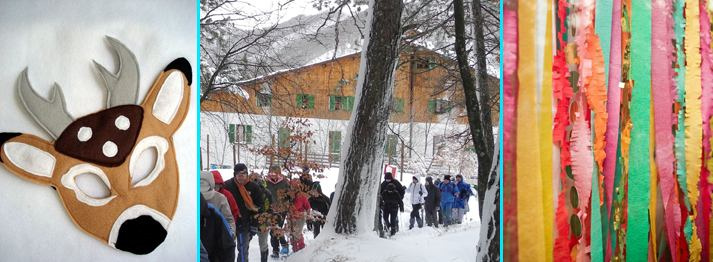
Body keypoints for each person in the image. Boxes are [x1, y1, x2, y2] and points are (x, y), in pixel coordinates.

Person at [223, 164, 265, 262]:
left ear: (247, 174)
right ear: (234, 175)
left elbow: (260, 205)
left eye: (244, 174)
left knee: (243, 249)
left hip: (245, 224)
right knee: (227, 248)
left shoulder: (253, 187)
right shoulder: (227, 186)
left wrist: (254, 221)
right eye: (239, 174)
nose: (241, 177)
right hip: (229, 222)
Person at [263, 165, 290, 258]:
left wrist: (286, 204)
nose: (272, 175)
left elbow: (289, 195)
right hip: (270, 209)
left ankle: (278, 249)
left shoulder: (284, 182)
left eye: (275, 173)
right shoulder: (266, 183)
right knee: (273, 229)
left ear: (279, 173)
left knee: (276, 229)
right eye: (271, 173)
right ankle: (281, 247)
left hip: (282, 210)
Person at [200, 194, 236, 262]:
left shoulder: (221, 198)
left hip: (228, 232)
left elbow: (230, 217)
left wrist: (232, 232)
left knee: (243, 249)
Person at [200, 171, 236, 236]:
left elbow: (231, 216)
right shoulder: (190, 199)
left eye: (218, 185)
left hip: (217, 239)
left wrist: (231, 233)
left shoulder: (222, 197)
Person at [300, 170, 330, 238]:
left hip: (324, 218)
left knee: (324, 233)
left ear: (319, 191)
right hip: (315, 218)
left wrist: (325, 216)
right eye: (312, 192)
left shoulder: (325, 199)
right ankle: (316, 241)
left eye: (315, 192)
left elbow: (330, 209)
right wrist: (308, 221)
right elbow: (307, 210)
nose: (313, 193)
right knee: (316, 232)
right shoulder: (310, 200)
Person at [287, 178, 311, 252]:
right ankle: (294, 249)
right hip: (290, 217)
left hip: (300, 217)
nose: (292, 190)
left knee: (297, 233)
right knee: (291, 233)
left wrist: (308, 216)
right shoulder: (287, 197)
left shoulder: (302, 197)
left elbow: (308, 207)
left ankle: (301, 248)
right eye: (291, 188)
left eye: (294, 188)